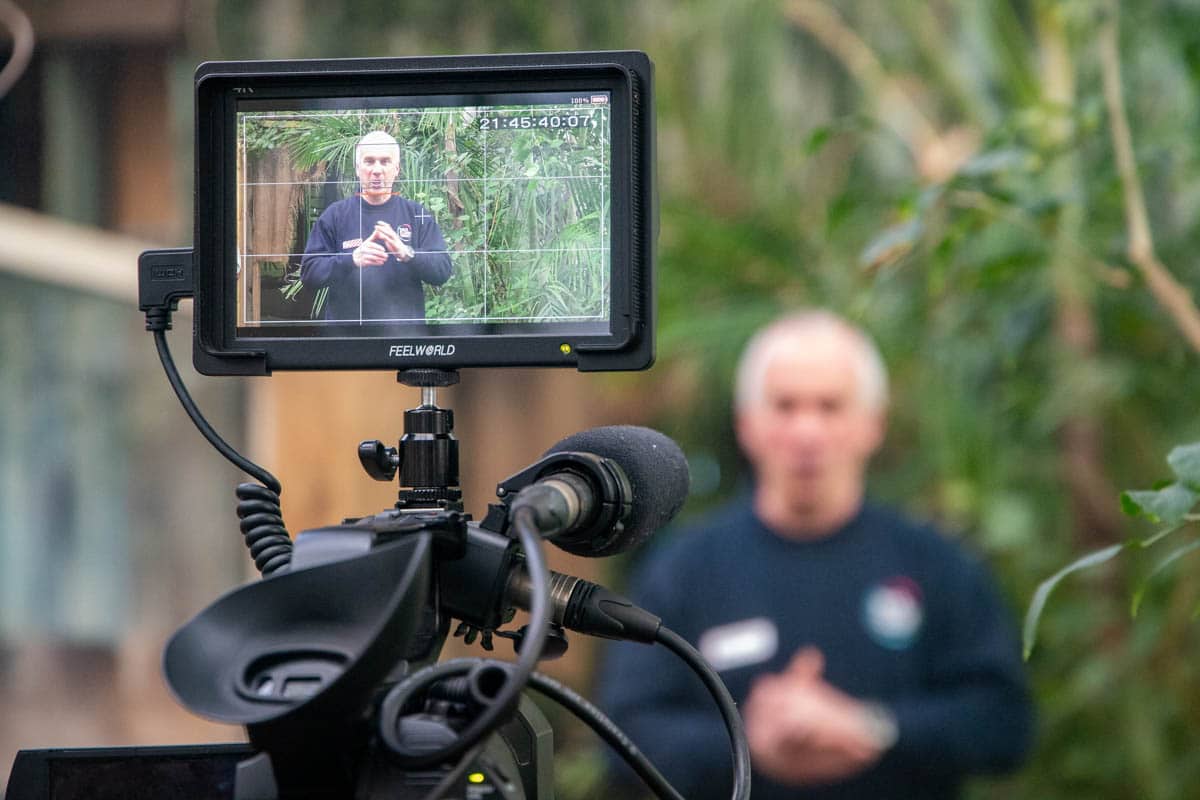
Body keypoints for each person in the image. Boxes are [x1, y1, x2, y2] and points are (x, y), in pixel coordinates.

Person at [596, 311, 1034, 800]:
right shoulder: (683, 569)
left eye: (830, 406)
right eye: (785, 406)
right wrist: (748, 745)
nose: (807, 431)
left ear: (873, 424)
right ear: (747, 424)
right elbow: (622, 737)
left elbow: (1004, 724)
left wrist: (872, 727)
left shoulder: (937, 564)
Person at [300, 130, 452, 322]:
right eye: (369, 161)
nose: (377, 170)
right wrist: (351, 259)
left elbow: (442, 271)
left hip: (404, 335)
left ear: (397, 169)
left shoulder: (416, 214)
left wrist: (407, 253)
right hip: (346, 335)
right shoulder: (335, 215)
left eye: (385, 161)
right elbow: (309, 274)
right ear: (357, 168)